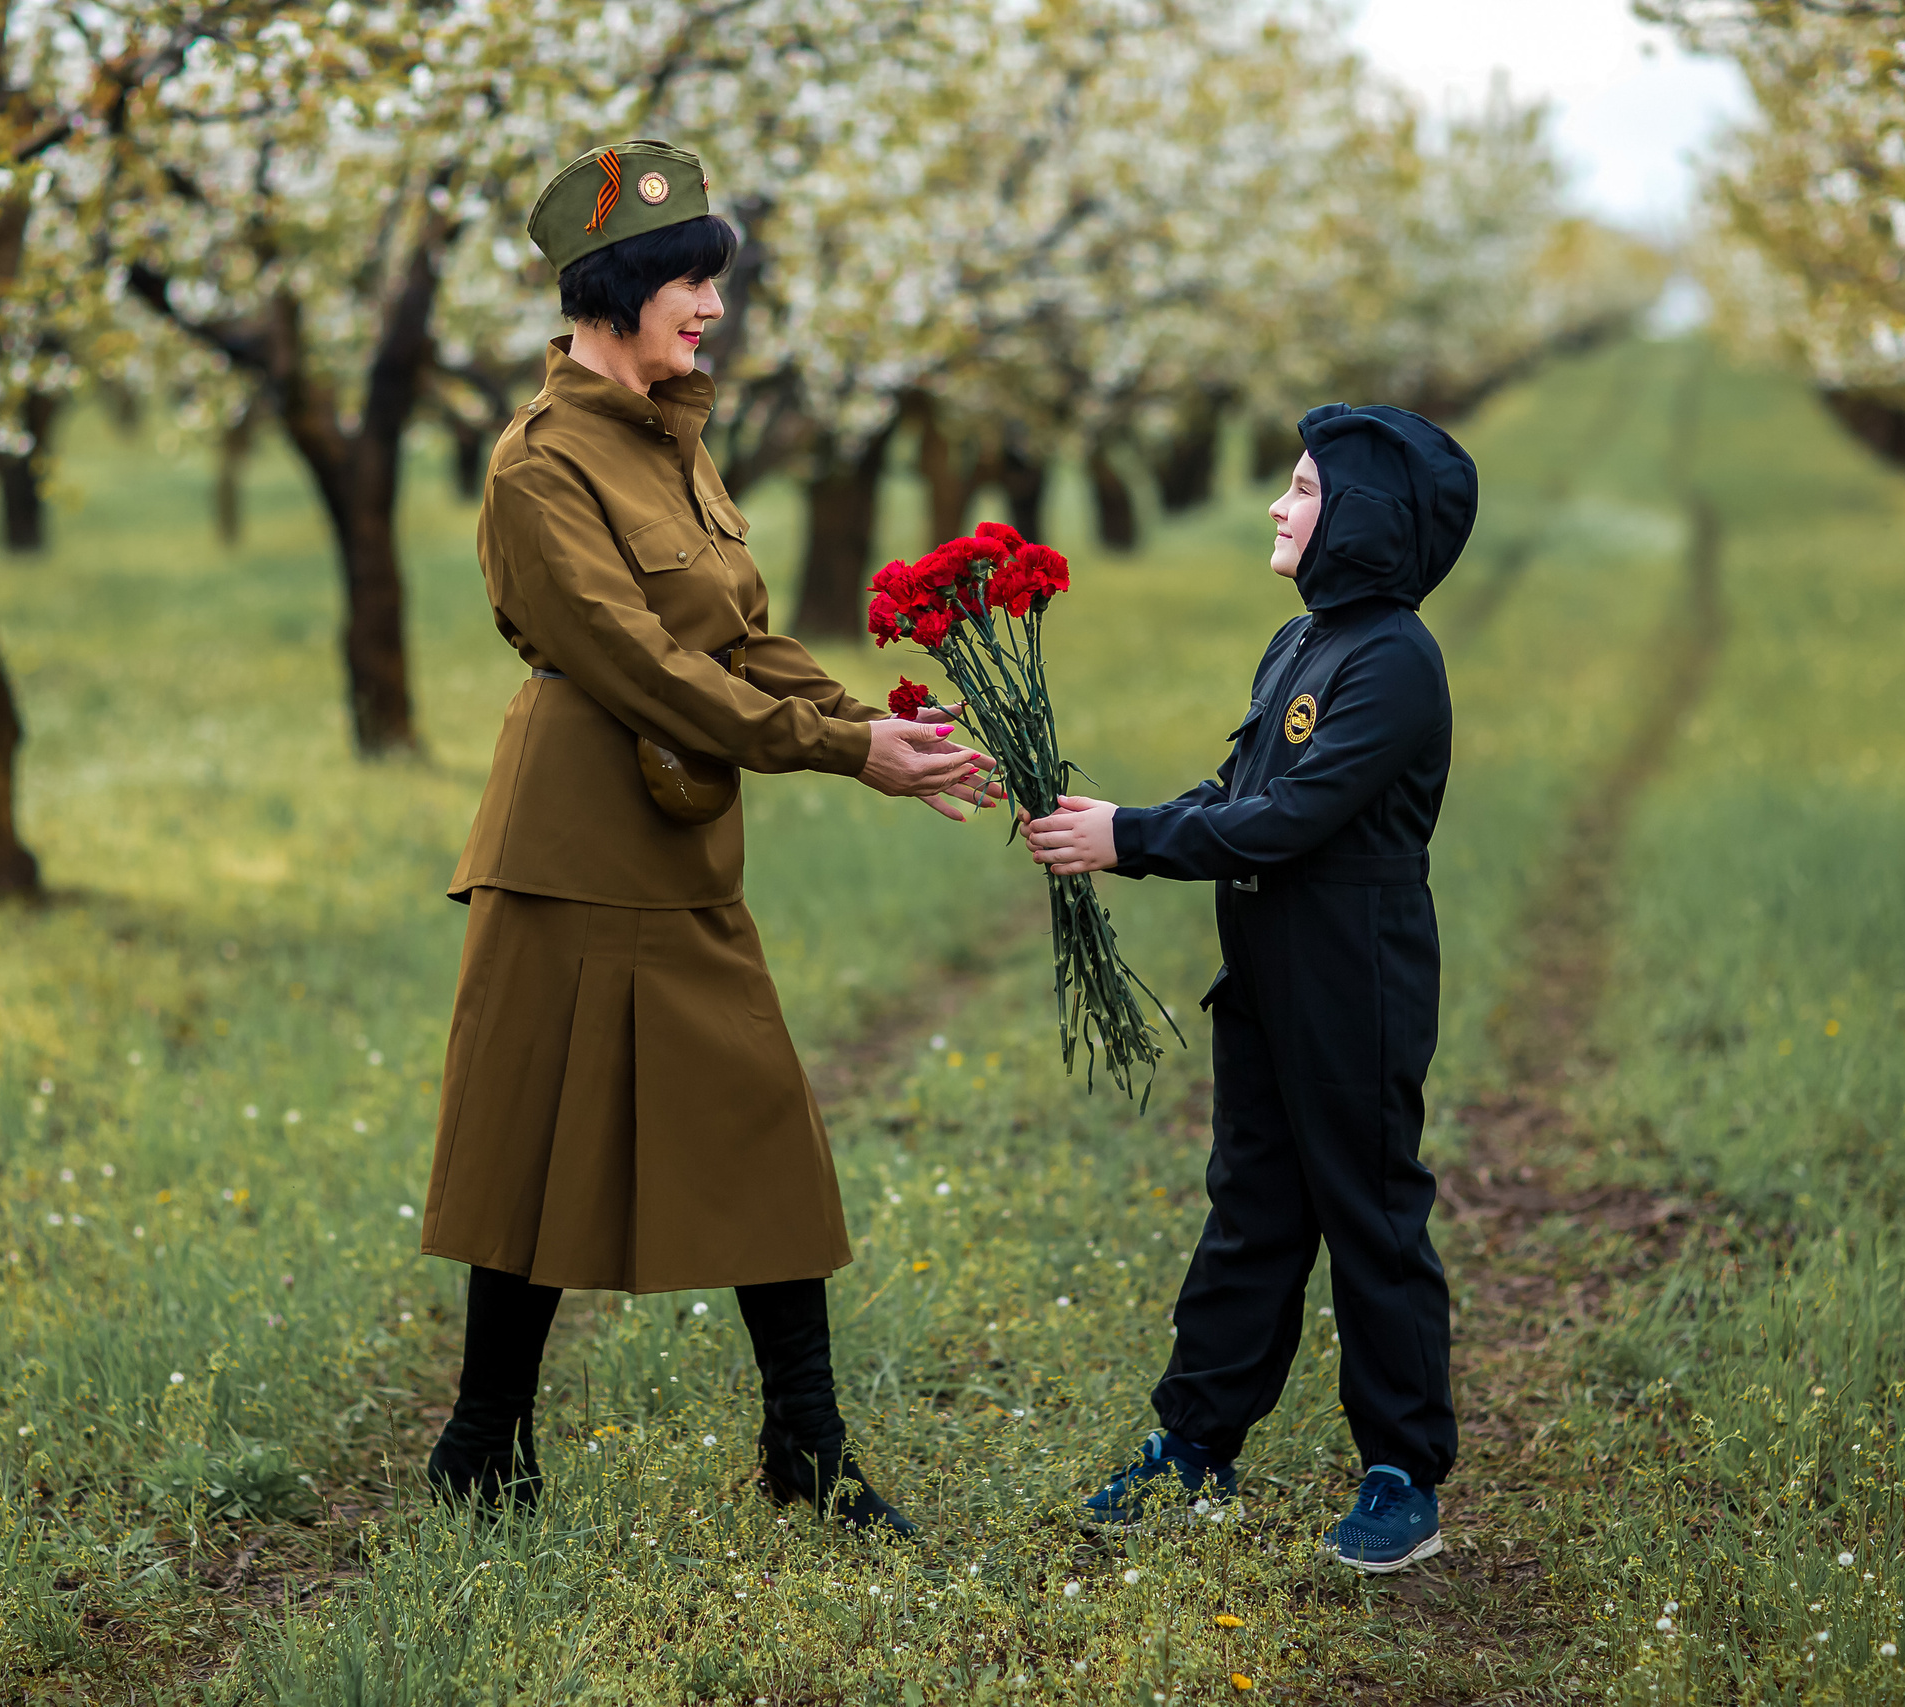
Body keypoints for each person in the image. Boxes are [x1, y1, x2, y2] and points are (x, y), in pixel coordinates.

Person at [416, 140, 998, 1535]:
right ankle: (482, 1444)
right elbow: (639, 665)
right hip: (570, 841)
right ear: (616, 288)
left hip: (674, 838)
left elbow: (734, 634)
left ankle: (804, 1443)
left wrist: (870, 728)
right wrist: (838, 748)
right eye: (692, 281)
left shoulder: (675, 437)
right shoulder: (536, 468)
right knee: (532, 1149)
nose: (714, 309)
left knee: (761, 1121)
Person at [1023, 403, 1476, 1572]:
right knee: (1253, 1210)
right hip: (1267, 975)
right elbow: (1236, 791)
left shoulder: (1395, 660)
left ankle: (1401, 1471)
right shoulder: (1301, 643)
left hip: (1352, 978)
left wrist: (1134, 840)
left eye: (1304, 488)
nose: (1279, 507)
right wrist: (1118, 819)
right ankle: (1195, 1448)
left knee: (1367, 1211)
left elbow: (1290, 819)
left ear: (1365, 518)